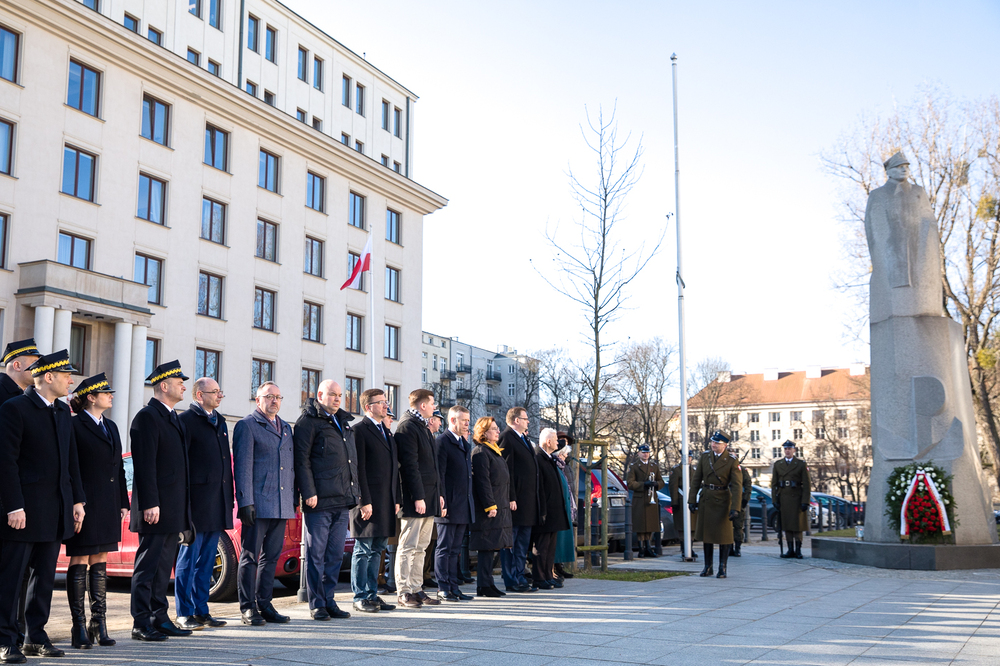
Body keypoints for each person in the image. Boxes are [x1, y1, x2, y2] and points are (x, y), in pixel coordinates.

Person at [0, 350, 85, 663]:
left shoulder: (62, 411)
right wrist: (13, 506)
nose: (70, 381)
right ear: (48, 377)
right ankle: (5, 639)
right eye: (66, 376)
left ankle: (35, 636)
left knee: (44, 577)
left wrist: (77, 500)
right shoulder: (15, 409)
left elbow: (71, 460)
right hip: (22, 512)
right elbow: (6, 463)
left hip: (56, 508)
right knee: (11, 578)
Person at [129, 360, 194, 641]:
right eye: (179, 382)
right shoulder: (148, 417)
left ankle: (159, 616)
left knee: (162, 567)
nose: (183, 386)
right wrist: (150, 503)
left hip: (172, 507)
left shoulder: (171, 416)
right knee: (147, 567)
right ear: (163, 386)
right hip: (155, 508)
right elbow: (145, 466)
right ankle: (141, 622)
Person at [64, 373, 129, 649]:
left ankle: (98, 622)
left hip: (109, 504)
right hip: (86, 503)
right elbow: (71, 467)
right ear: (91, 397)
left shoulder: (112, 426)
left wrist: (123, 502)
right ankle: (78, 625)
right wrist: (77, 501)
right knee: (80, 559)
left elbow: (119, 467)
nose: (110, 395)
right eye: (106, 392)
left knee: (100, 560)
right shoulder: (74, 425)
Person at [294, 380, 358, 620]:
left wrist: (356, 495)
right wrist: (308, 492)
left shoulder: (343, 423)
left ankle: (329, 600)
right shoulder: (308, 422)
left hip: (342, 501)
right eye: (332, 394)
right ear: (319, 394)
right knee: (316, 554)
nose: (337, 399)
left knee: (334, 555)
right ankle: (316, 604)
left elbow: (352, 463)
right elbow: (302, 460)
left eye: (340, 395)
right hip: (318, 502)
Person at [233, 381, 295, 626]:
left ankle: (265, 604)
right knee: (250, 557)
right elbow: (243, 466)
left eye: (278, 397)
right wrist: (245, 501)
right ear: (257, 400)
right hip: (258, 504)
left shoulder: (286, 428)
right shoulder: (247, 425)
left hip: (281, 504)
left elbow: (290, 467)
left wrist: (293, 498)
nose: (275, 401)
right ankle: (248, 607)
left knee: (271, 557)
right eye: (269, 397)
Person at [175, 377, 233, 629]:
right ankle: (183, 612)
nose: (220, 396)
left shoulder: (220, 421)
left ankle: (201, 610)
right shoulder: (185, 421)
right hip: (196, 505)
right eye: (215, 392)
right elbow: (181, 465)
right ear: (199, 395)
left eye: (221, 392)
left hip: (217, 503)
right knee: (188, 561)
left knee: (207, 562)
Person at [0, 339, 40, 651]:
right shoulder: (6, 398)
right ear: (17, 364)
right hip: (7, 501)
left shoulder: (26, 400)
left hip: (22, 501)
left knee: (18, 577)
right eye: (33, 361)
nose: (38, 367)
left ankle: (16, 635)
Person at [394, 389, 443, 609]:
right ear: (422, 405)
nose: (434, 406)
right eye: (432, 403)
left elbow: (432, 466)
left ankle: (416, 587)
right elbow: (409, 467)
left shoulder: (423, 426)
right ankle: (404, 591)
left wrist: (438, 494)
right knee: (408, 546)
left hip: (429, 497)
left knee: (421, 547)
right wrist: (419, 496)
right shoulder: (407, 426)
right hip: (416, 499)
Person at [350, 389, 398, 613]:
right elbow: (357, 469)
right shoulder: (359, 430)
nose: (386, 406)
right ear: (369, 407)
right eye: (381, 402)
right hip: (368, 501)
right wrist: (363, 501)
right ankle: (360, 596)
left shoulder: (385, 431)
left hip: (384, 500)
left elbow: (392, 469)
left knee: (378, 548)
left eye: (386, 402)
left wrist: (395, 499)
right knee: (363, 549)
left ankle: (372, 594)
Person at [689, 431, 743, 579]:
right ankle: (708, 566)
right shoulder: (705, 457)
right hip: (707, 498)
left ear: (725, 445)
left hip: (723, 500)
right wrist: (692, 499)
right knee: (708, 535)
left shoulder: (732, 460)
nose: (714, 445)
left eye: (717, 443)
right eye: (713, 442)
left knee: (724, 536)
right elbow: (696, 480)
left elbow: (737, 486)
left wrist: (735, 508)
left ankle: (722, 567)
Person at [434, 406, 474, 602]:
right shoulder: (443, 442)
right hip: (448, 504)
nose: (467, 424)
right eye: (464, 420)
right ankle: (443, 587)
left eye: (468, 420)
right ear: (452, 420)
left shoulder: (464, 443)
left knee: (455, 549)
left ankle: (453, 586)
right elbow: (439, 474)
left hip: (462, 504)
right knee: (445, 547)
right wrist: (441, 500)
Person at [469, 417, 511, 597]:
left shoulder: (495, 452)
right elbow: (482, 482)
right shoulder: (480, 452)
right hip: (489, 508)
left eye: (497, 427)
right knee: (486, 547)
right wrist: (490, 505)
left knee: (493, 546)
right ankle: (483, 585)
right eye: (493, 428)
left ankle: (489, 583)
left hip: (500, 504)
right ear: (484, 433)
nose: (498, 431)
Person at [500, 406, 539, 593]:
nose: (527, 421)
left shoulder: (523, 438)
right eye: (525, 418)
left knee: (523, 542)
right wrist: (511, 497)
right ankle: (511, 578)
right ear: (516, 420)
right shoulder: (507, 437)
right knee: (512, 541)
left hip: (528, 501)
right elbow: (508, 471)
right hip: (516, 501)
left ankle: (520, 576)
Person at [532, 428, 569, 589]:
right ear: (548, 442)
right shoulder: (539, 458)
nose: (557, 443)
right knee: (541, 546)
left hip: (554, 511)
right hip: (544, 511)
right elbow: (539, 488)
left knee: (550, 546)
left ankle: (548, 574)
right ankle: (540, 577)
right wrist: (542, 510)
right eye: (555, 440)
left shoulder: (549, 458)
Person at [771, 440, 811, 559]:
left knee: (797, 525)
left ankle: (798, 549)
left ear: (794, 450)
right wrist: (775, 500)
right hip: (784, 497)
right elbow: (774, 484)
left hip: (797, 498)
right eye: (786, 449)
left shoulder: (800, 464)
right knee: (787, 525)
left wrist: (805, 501)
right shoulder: (778, 464)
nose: (787, 451)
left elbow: (807, 485)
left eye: (790, 449)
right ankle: (790, 549)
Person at [626, 444, 665, 558]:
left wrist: (656, 484)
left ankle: (648, 546)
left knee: (650, 524)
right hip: (639, 498)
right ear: (638, 453)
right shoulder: (634, 466)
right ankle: (641, 548)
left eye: (647, 452)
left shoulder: (654, 466)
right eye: (643, 452)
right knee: (640, 525)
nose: (645, 454)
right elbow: (630, 483)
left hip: (651, 497)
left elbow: (661, 481)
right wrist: (644, 485)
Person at [378, 408, 399, 596]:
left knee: (383, 545)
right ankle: (378, 581)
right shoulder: (367, 431)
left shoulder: (389, 436)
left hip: (390, 498)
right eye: (388, 417)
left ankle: (382, 579)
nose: (391, 420)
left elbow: (396, 470)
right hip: (376, 499)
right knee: (373, 548)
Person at [552, 444, 575, 581]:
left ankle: (558, 566)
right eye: (564, 454)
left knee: (562, 540)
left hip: (566, 506)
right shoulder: (556, 466)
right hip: (558, 508)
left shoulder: (562, 467)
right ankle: (553, 568)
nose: (566, 457)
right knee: (557, 540)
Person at [669, 452, 698, 558]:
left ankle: (690, 548)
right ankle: (684, 548)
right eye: (687, 457)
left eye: (690, 457)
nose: (689, 459)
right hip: (681, 501)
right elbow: (673, 487)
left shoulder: (694, 470)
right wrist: (675, 501)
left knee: (692, 526)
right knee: (682, 526)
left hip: (691, 500)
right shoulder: (676, 470)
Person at [732, 463, 752, 557]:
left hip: (739, 501)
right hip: (726, 500)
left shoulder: (742, 470)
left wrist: (746, 499)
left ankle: (737, 547)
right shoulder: (724, 468)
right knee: (727, 526)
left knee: (738, 526)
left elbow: (748, 484)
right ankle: (728, 547)